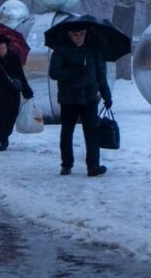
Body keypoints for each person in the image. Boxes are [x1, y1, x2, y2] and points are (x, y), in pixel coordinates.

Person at [48, 25, 112, 177]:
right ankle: (66, 164)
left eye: (81, 34)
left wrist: (107, 96)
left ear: (86, 33)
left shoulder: (94, 50)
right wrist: (73, 72)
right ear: (69, 34)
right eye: (75, 35)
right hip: (68, 98)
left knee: (92, 133)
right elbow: (53, 72)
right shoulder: (61, 49)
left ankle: (93, 166)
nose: (78, 38)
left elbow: (101, 75)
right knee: (67, 132)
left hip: (89, 98)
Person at [0, 35, 34, 151]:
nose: (1, 50)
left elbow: (21, 76)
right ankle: (2, 139)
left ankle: (6, 134)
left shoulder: (14, 58)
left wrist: (26, 90)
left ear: (7, 47)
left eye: (3, 48)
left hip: (12, 92)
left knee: (11, 116)